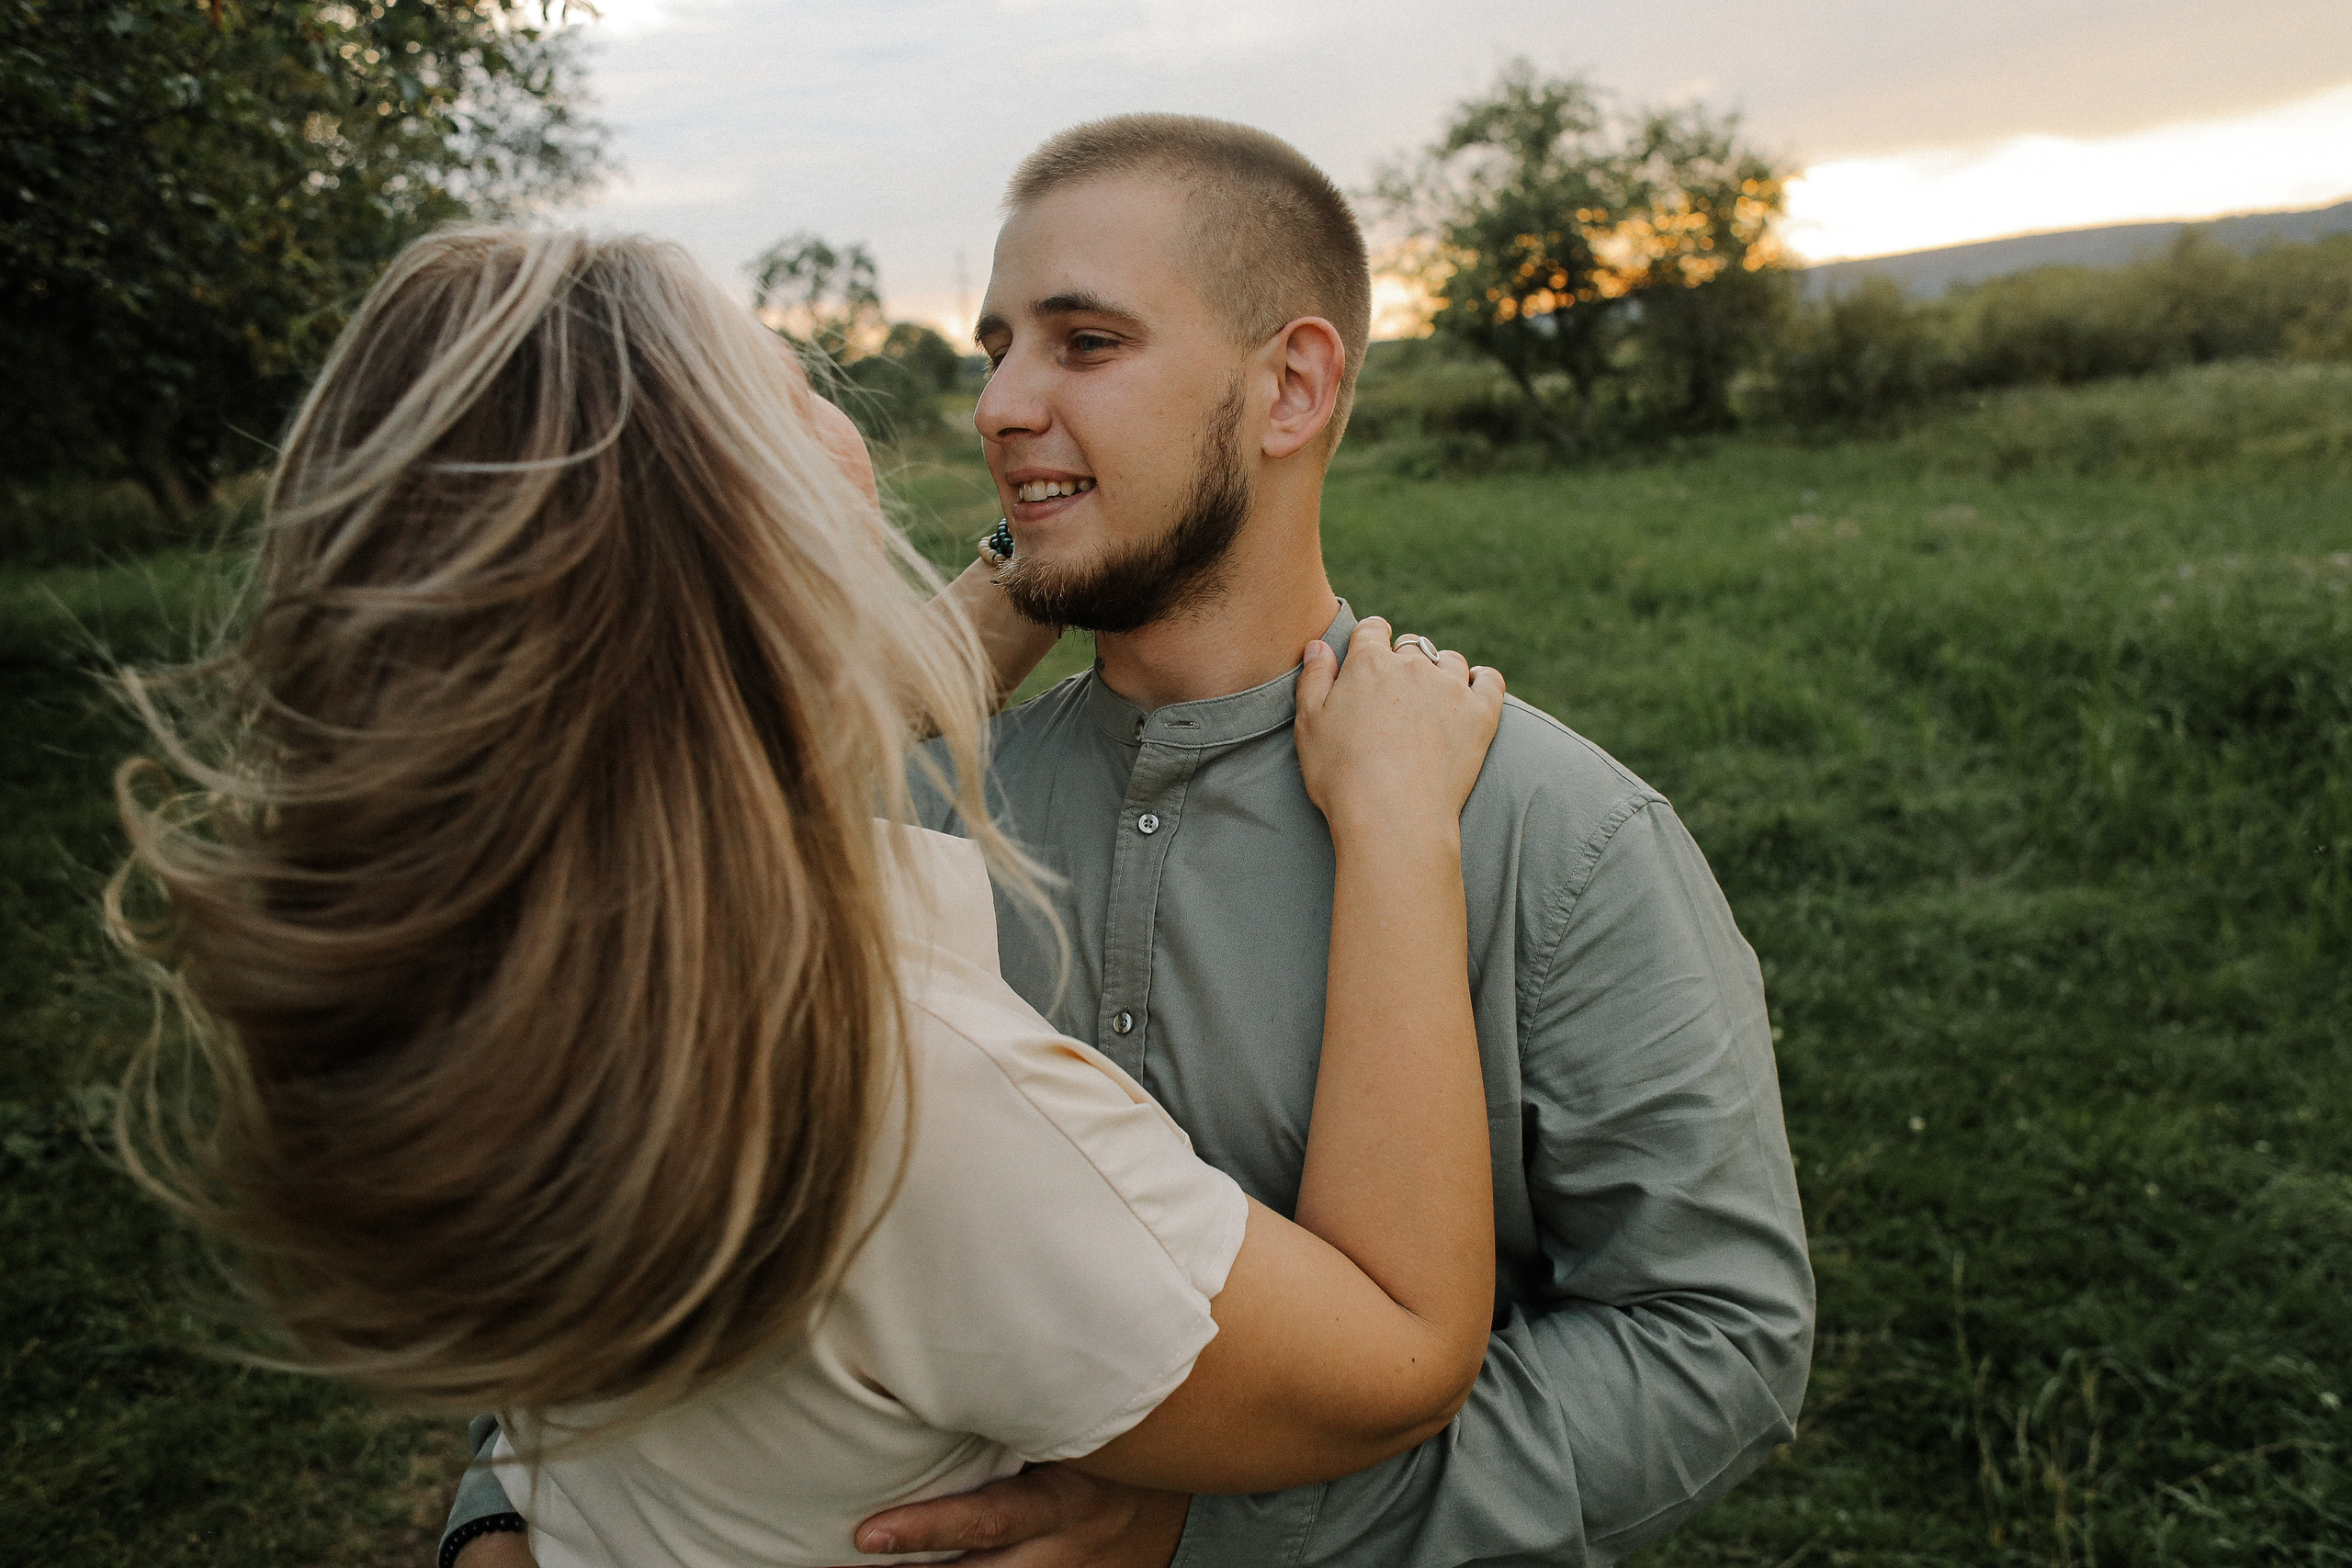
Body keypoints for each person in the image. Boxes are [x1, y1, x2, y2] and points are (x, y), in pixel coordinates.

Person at [447, 114, 1815, 1566]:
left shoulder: (1558, 835)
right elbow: (649, 1230)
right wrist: (498, 1512)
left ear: (1292, 386)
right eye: (995, 351)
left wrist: (1208, 1530)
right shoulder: (902, 815)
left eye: (1085, 343)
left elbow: (1712, 1340)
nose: (997, 405)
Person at [108, 225, 1522, 1567]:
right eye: (788, 390)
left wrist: (1077, 530)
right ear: (742, 543)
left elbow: (786, 718)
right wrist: (1397, 826)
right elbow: (1396, 1359)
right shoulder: (902, 1092)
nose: (995, 410)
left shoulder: (516, 925)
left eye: (1083, 345)